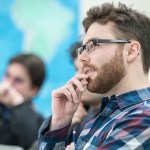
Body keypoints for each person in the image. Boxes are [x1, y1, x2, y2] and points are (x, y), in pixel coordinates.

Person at [38, 2, 150, 150]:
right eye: (83, 49)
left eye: (93, 45)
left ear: (131, 51)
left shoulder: (143, 118)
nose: (82, 58)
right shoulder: (102, 117)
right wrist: (60, 121)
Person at [0, 54, 45, 149]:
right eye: (7, 75)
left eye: (18, 80)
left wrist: (18, 104)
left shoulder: (40, 124)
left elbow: (30, 141)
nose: (8, 84)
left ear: (34, 90)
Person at [68, 41, 103, 142]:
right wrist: (63, 127)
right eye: (76, 69)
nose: (77, 77)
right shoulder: (74, 114)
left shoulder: (118, 118)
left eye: (87, 70)